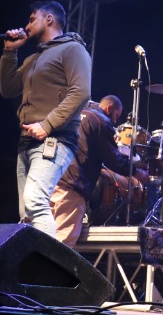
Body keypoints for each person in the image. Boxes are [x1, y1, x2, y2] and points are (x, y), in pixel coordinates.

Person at [0, 0, 92, 237]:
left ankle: (46, 261)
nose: (27, 25)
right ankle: (32, 259)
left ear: (49, 19)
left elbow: (81, 92)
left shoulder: (73, 49)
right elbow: (8, 89)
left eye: (32, 19)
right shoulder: (32, 60)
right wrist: (10, 52)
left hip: (55, 139)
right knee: (27, 214)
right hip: (26, 141)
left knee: (35, 201)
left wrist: (47, 124)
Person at [50, 95, 146, 247]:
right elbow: (112, 159)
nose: (115, 121)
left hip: (53, 179)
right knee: (63, 244)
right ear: (109, 108)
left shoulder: (76, 113)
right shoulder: (100, 121)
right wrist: (136, 171)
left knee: (45, 239)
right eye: (116, 115)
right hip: (72, 184)